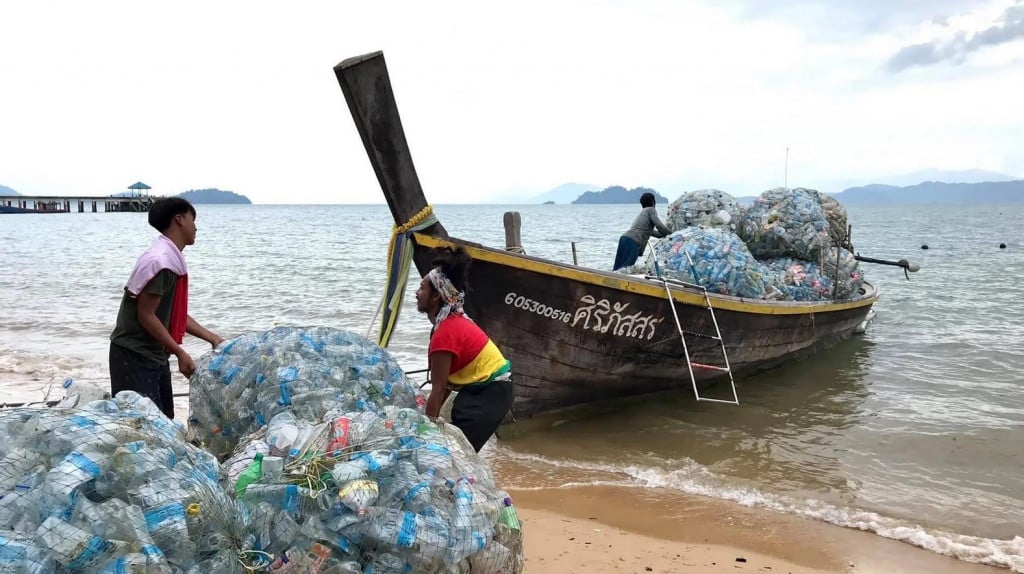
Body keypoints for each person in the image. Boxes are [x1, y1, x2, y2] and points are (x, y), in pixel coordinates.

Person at [109, 197, 223, 419]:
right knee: (141, 426)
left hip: (154, 355)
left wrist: (212, 338)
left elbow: (173, 314)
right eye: (193, 219)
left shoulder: (170, 258)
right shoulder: (161, 262)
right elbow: (146, 315)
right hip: (133, 355)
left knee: (164, 421)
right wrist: (180, 352)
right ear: (179, 219)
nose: (196, 227)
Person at [415, 247, 514, 452]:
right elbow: (446, 387)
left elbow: (439, 389)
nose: (417, 293)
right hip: (489, 391)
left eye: (422, 288)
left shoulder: (445, 333)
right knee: (456, 447)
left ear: (436, 297)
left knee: (456, 452)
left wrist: (425, 432)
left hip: (489, 393)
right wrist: (430, 421)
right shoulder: (450, 323)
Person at [612, 191, 671, 270]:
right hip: (633, 241)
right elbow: (659, 225)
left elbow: (655, 233)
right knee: (627, 268)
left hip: (624, 238)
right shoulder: (651, 210)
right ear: (653, 203)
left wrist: (666, 234)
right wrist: (672, 233)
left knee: (618, 268)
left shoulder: (643, 214)